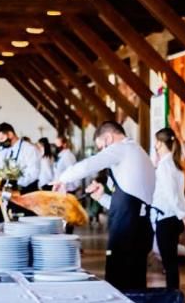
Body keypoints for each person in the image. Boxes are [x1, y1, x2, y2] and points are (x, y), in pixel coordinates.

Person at [53, 121, 154, 291]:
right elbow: (127, 203)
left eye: (101, 147)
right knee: (134, 287)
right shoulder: (137, 152)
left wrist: (62, 179)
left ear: (108, 138)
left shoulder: (122, 148)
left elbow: (88, 165)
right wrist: (102, 197)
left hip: (127, 233)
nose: (102, 152)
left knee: (120, 286)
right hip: (137, 229)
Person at [151, 127, 185, 290]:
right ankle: (173, 295)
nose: (154, 145)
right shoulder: (174, 165)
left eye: (156, 141)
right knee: (170, 263)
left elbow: (172, 195)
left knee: (169, 264)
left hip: (166, 219)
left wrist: (184, 216)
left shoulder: (165, 167)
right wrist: (184, 216)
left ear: (160, 143)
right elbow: (179, 195)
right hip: (173, 218)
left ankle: (173, 297)